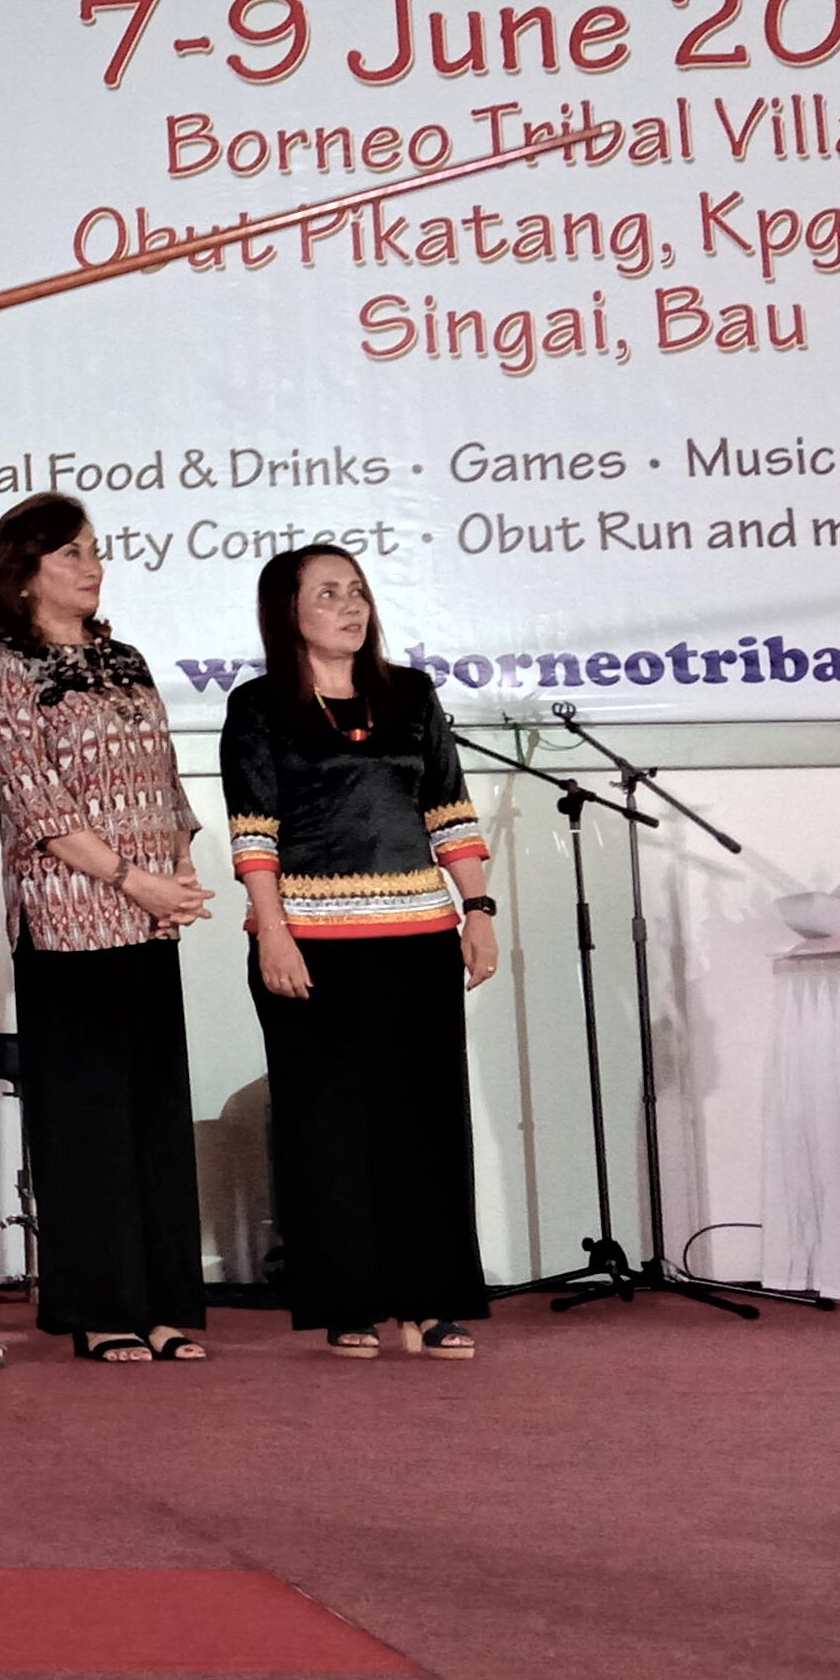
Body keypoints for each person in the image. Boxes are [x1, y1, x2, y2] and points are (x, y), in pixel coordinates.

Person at [222, 543, 498, 1361]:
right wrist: (273, 932)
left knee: (425, 1125)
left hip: (418, 942)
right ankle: (349, 1302)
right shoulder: (260, 705)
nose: (351, 606)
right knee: (327, 1132)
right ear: (288, 613)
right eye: (328, 593)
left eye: (358, 591)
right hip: (311, 948)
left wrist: (477, 910)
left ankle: (431, 1301)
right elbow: (254, 832)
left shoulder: (410, 695)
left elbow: (449, 810)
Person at [0, 493, 216, 1366]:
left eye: (94, 550)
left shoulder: (124, 658)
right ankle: (102, 1308)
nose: (91, 565)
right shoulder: (2, 670)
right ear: (23, 573)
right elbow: (34, 802)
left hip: (150, 921)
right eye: (70, 553)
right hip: (69, 923)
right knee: (86, 1123)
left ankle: (164, 1303)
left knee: (154, 1115)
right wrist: (135, 881)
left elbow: (166, 777)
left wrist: (178, 873)